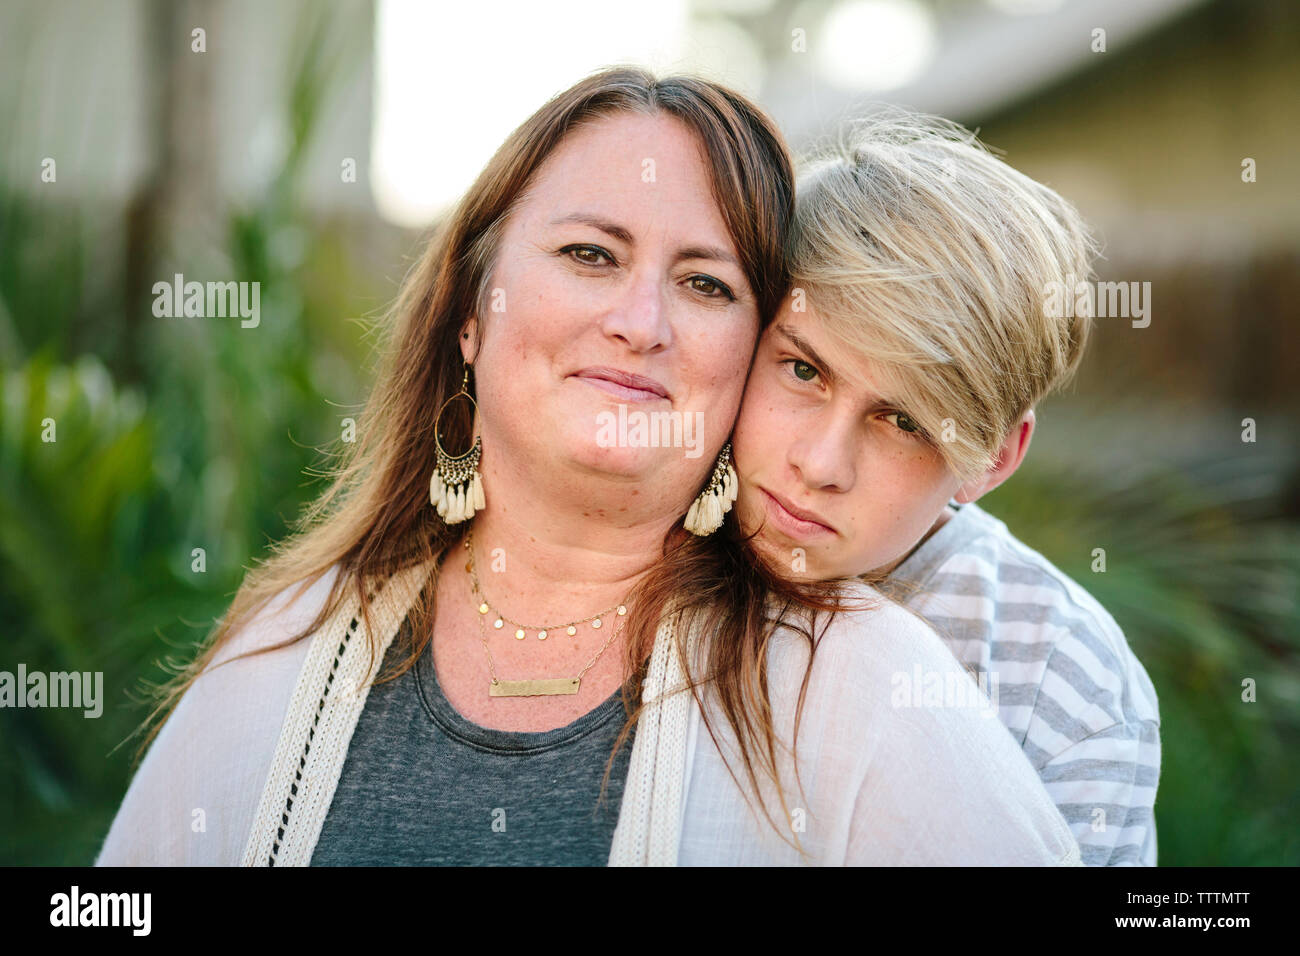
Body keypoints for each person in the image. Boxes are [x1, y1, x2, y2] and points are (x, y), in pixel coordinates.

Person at [95, 70, 1079, 866]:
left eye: (704, 282)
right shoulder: (280, 653)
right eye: (590, 254)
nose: (639, 323)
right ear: (472, 312)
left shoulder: (857, 691)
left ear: (752, 352)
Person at [728, 109, 1161, 865]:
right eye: (803, 370)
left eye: (903, 421)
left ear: (991, 460)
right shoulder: (636, 532)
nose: (820, 464)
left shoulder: (1064, 680)